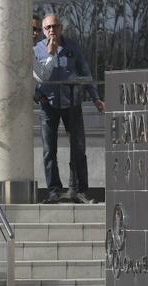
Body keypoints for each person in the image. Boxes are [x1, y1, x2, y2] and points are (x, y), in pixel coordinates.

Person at [34, 14, 105, 204]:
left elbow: (85, 72)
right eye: (48, 27)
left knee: (78, 149)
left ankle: (79, 190)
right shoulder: (37, 50)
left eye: (55, 26)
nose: (52, 31)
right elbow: (40, 76)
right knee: (50, 151)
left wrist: (96, 98)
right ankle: (54, 191)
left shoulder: (72, 47)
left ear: (61, 28)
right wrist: (50, 53)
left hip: (72, 103)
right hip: (48, 105)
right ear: (43, 31)